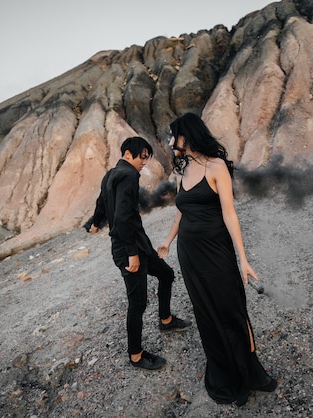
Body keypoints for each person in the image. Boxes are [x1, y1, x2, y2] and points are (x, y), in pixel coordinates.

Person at [157, 113, 277, 405]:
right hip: (190, 255)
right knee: (207, 313)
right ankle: (224, 373)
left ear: (187, 135)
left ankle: (252, 373)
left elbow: (230, 213)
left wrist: (243, 259)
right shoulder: (181, 172)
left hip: (216, 250)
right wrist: (167, 241)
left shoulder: (216, 166)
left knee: (232, 309)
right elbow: (181, 212)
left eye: (174, 136)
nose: (171, 142)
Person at [84, 136, 191, 371]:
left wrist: (94, 223)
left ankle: (166, 320)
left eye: (147, 157)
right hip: (129, 248)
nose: (144, 162)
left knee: (166, 274)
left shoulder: (110, 174)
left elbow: (102, 202)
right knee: (137, 302)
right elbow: (122, 217)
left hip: (137, 245)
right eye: (141, 157)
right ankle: (135, 355)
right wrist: (132, 253)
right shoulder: (129, 176)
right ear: (128, 155)